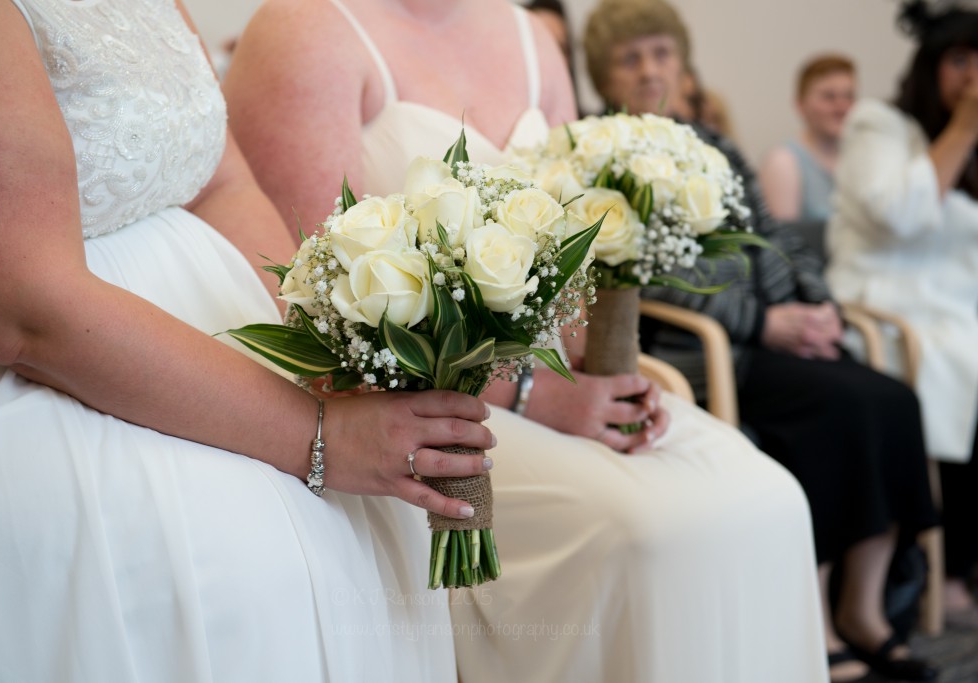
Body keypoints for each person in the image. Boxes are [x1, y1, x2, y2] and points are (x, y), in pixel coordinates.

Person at [224, 1, 829, 681]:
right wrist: (537, 395)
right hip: (422, 411)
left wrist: (604, 379)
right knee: (647, 531)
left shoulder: (530, 36)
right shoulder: (306, 30)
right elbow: (314, 301)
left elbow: (570, 247)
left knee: (773, 499)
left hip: (560, 383)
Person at [0, 1, 499, 681]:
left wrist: (323, 353)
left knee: (366, 548)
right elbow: (23, 310)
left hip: (223, 321)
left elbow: (220, 178)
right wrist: (322, 433)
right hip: (73, 374)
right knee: (246, 579)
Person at [583, 0, 940, 680]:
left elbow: (771, 232)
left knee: (892, 398)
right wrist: (761, 322)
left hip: (777, 333)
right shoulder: (600, 149)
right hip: (707, 348)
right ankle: (818, 619)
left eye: (661, 53)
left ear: (683, 63)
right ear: (604, 72)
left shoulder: (711, 144)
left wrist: (819, 303)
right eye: (631, 58)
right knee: (836, 407)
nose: (650, 69)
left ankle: (864, 606)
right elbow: (635, 276)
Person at [826, 0, 978, 630]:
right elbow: (898, 214)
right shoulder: (878, 125)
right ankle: (948, 572)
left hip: (951, 314)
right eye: (961, 61)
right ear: (929, 65)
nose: (973, 77)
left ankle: (962, 567)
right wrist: (965, 127)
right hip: (882, 310)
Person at [760, 54, 858, 223]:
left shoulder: (860, 157)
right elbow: (784, 239)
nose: (842, 107)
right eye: (829, 96)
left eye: (848, 96)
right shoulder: (784, 161)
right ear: (800, 104)